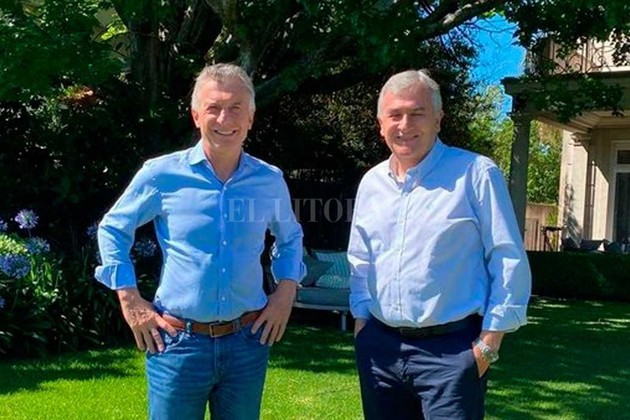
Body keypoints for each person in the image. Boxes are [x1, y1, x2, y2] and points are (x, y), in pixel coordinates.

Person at [95, 63, 304, 420]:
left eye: (236, 107)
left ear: (251, 117)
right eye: (213, 107)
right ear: (196, 116)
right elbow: (113, 228)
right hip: (177, 344)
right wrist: (129, 299)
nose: (225, 118)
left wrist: (285, 293)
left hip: (247, 343)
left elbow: (291, 237)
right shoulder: (161, 174)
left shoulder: (269, 181)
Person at [348, 69, 531, 420]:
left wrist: (489, 344)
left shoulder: (476, 174)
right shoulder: (371, 183)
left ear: (438, 119)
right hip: (380, 351)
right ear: (380, 124)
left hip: (452, 353)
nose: (405, 125)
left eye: (417, 113)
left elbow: (507, 257)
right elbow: (360, 259)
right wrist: (361, 323)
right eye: (395, 115)